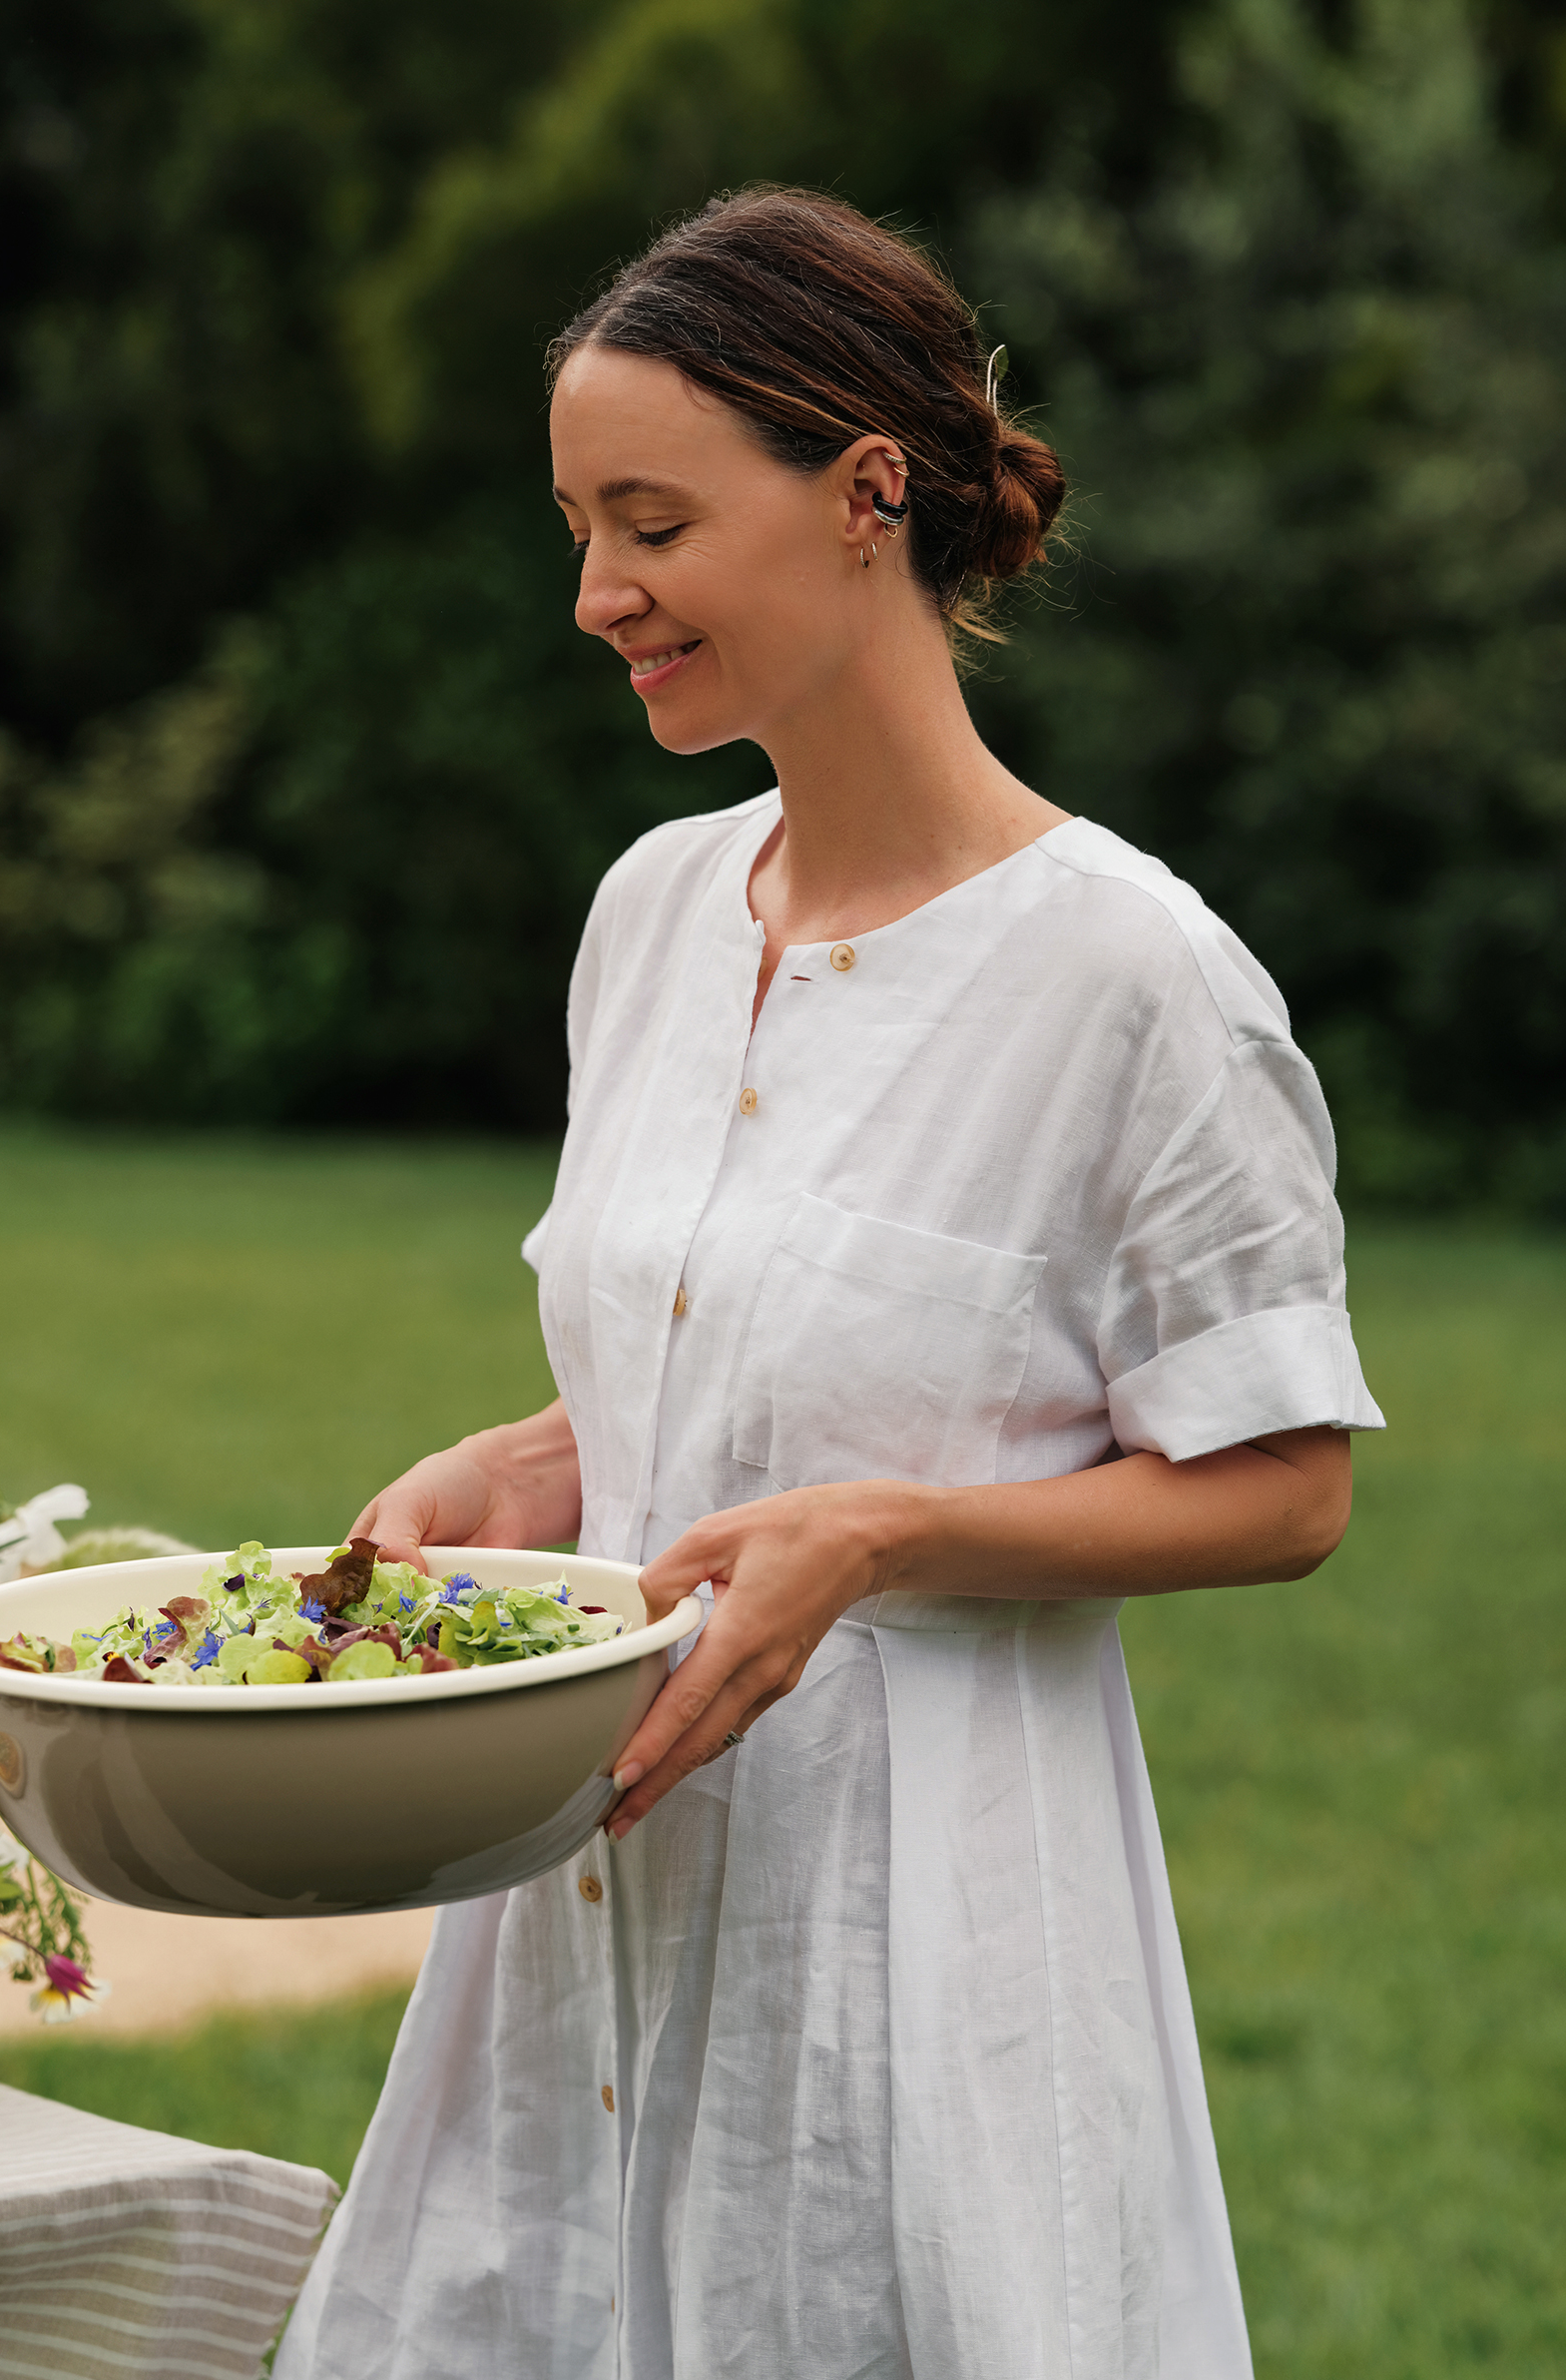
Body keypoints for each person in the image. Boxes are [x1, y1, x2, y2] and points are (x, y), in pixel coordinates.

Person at [277, 186, 1382, 2380]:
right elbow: (738, 1363)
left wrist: (877, 1542)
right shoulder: (652, 916)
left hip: (901, 1982)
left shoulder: (1129, 979)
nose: (596, 596)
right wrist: (530, 1465)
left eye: (652, 524)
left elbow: (1281, 1487)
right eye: (579, 528)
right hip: (561, 1946)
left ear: (866, 493)